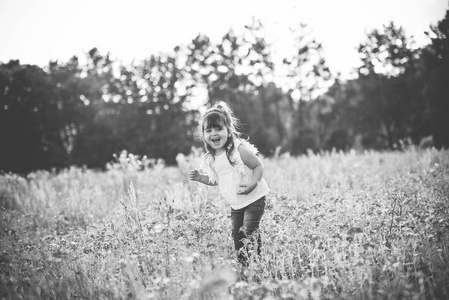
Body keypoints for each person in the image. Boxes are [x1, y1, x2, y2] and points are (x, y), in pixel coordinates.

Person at [189, 101, 270, 268]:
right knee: (237, 234)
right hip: (236, 203)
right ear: (203, 134)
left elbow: (258, 166)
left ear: (228, 129)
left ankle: (258, 263)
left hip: (254, 197)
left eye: (218, 129)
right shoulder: (210, 158)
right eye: (208, 130)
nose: (214, 133)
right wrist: (200, 177)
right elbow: (214, 180)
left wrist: (253, 185)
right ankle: (244, 265)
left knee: (249, 230)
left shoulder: (237, 150)